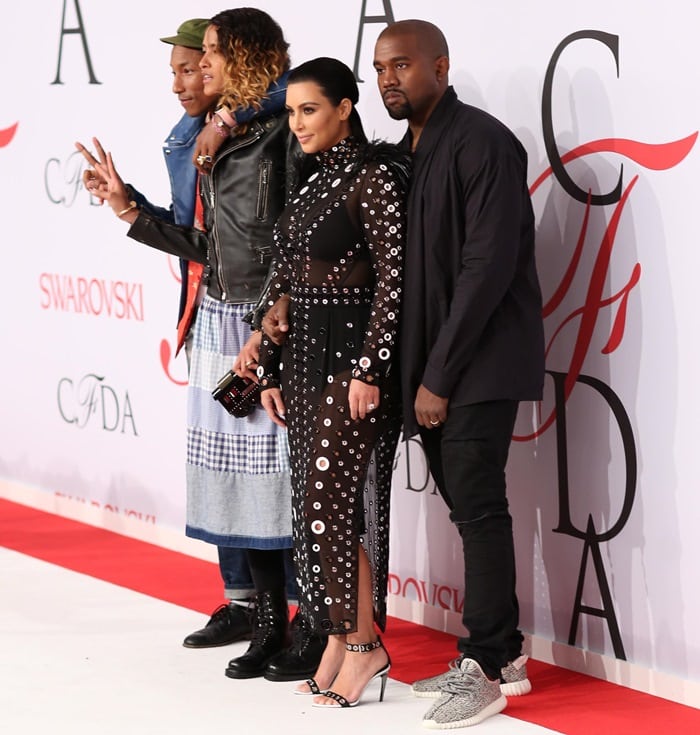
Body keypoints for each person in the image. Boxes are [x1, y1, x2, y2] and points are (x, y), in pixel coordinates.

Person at [76, 8, 315, 682]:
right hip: (221, 312)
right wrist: (130, 212)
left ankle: (310, 623)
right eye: (192, 59)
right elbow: (210, 245)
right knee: (242, 484)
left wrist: (272, 315)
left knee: (283, 480)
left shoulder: (280, 123)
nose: (197, 71)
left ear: (243, 56)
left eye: (207, 55)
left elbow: (296, 239)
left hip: (269, 322)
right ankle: (265, 620)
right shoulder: (205, 139)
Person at [371, 19, 545, 729]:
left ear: (440, 67)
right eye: (380, 67)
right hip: (439, 364)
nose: (388, 77)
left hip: (478, 360)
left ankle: (484, 665)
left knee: (479, 509)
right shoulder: (412, 151)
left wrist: (438, 376)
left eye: (403, 65)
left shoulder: (483, 142)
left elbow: (485, 270)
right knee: (472, 508)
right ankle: (503, 656)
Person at [255, 57, 409, 709]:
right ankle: (339, 640)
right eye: (291, 112)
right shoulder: (313, 181)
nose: (298, 123)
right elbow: (286, 280)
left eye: (309, 109)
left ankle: (364, 640)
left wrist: (371, 369)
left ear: (346, 107)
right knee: (315, 513)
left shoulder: (373, 178)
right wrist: (266, 359)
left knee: (333, 510)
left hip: (350, 367)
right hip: (305, 362)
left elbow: (391, 282)